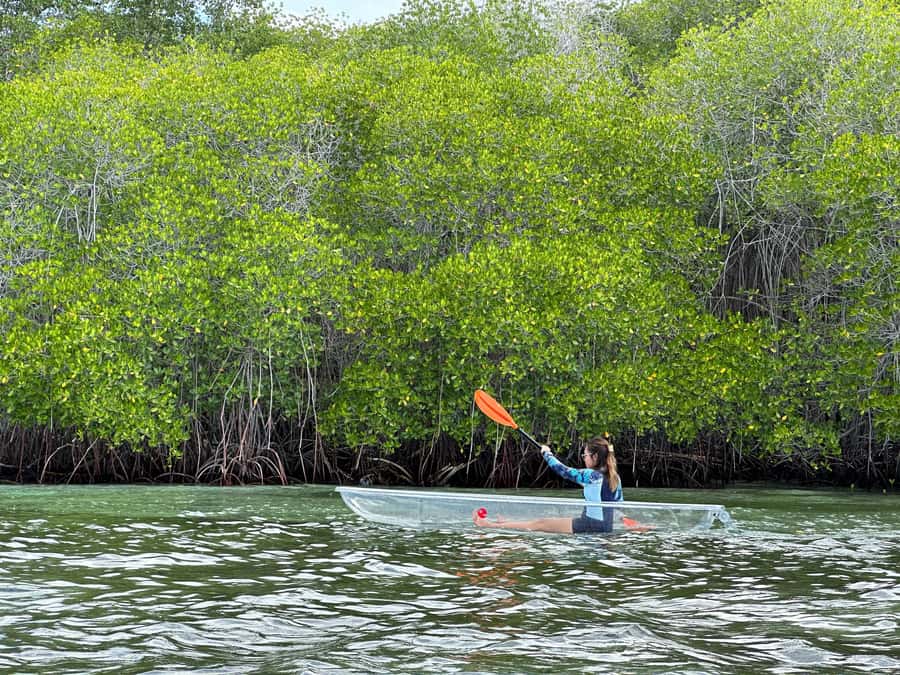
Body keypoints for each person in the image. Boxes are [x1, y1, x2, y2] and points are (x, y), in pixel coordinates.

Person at [473, 436, 623, 534]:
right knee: (543, 522)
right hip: (606, 529)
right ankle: (506, 523)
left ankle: (490, 525)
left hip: (589, 526)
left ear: (595, 456)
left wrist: (547, 454)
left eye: (585, 455)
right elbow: (619, 507)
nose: (584, 459)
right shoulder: (615, 478)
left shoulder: (590, 475)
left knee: (539, 524)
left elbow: (563, 471)